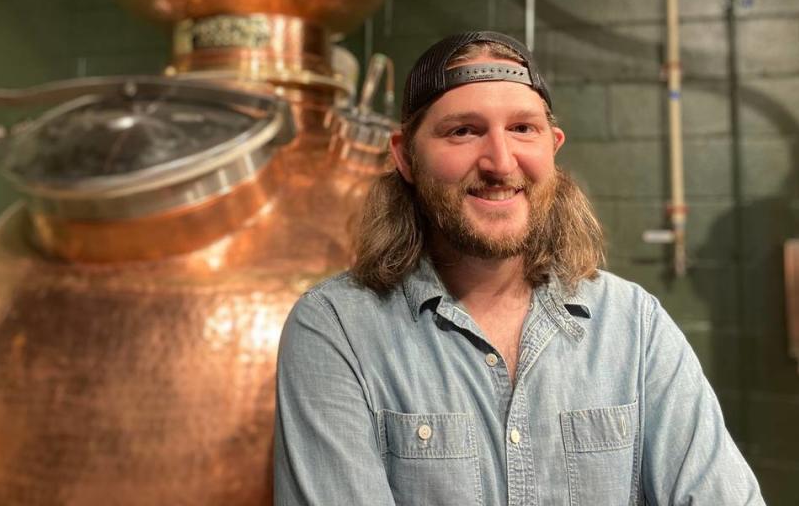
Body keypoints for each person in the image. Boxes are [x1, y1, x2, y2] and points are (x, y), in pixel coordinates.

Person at [274, 31, 765, 505]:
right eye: (463, 131)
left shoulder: (635, 326)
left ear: (552, 146)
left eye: (522, 129)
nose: (500, 162)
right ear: (405, 156)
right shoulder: (337, 329)